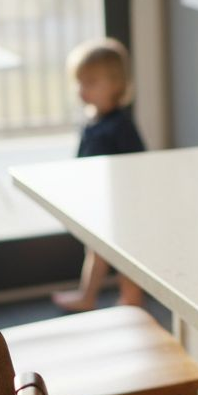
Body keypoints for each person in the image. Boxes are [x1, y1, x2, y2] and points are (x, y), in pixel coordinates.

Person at [51, 38, 146, 312]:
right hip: (100, 202)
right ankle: (87, 296)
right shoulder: (92, 121)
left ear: (116, 85)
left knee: (126, 257)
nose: (82, 90)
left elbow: (138, 165)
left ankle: (132, 301)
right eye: (80, 83)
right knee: (95, 250)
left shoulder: (121, 126)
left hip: (124, 205)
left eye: (91, 83)